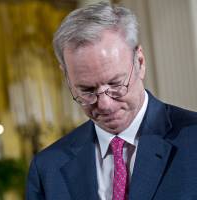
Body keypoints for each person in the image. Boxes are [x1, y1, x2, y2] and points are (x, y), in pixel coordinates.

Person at [26, 2, 197, 200]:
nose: (105, 105)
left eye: (115, 84)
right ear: (67, 78)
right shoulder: (48, 168)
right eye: (87, 90)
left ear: (140, 62)